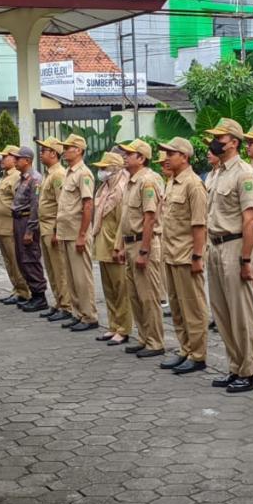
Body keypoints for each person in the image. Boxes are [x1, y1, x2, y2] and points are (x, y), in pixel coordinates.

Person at [203, 118, 253, 392]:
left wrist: (246, 259)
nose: (215, 142)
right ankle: (235, 367)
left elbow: (250, 219)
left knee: (241, 312)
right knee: (222, 311)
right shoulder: (216, 173)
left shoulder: (244, 174)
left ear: (234, 142)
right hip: (214, 245)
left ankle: (249, 371)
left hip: (235, 245)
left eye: (220, 138)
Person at [156, 137, 210, 374]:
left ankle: (198, 355)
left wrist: (197, 257)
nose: (166, 158)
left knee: (193, 308)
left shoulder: (193, 184)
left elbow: (199, 225)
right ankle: (185, 349)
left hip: (186, 256)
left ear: (185, 157)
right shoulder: (172, 182)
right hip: (171, 254)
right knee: (177, 308)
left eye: (171, 154)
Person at [117, 139, 168, 358]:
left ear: (141, 158)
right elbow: (126, 218)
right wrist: (121, 246)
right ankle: (144, 337)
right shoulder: (131, 181)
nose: (125, 156)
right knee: (135, 296)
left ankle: (155, 342)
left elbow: (149, 218)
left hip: (142, 243)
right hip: (130, 242)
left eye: (129, 154)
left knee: (148, 296)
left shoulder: (147, 181)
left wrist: (144, 250)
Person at [56, 134, 99, 332]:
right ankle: (77, 313)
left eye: (68, 148)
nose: (64, 151)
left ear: (79, 150)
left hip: (76, 233)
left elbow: (88, 204)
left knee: (82, 277)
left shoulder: (84, 174)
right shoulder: (68, 172)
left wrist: (82, 234)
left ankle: (89, 316)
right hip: (66, 231)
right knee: (71, 277)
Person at [92, 150, 132, 345]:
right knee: (108, 289)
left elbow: (123, 222)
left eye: (105, 168)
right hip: (102, 244)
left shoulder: (121, 189)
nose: (102, 172)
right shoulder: (104, 188)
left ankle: (123, 329)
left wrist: (119, 247)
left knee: (121, 290)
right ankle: (113, 325)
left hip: (115, 246)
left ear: (115, 169)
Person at [36, 138, 73, 323]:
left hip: (52, 226)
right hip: (45, 226)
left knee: (59, 269)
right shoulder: (48, 174)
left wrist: (58, 230)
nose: (41, 153)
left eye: (44, 150)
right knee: (51, 269)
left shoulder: (58, 174)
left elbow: (61, 204)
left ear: (53, 153)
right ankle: (59, 302)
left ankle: (66, 305)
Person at [0, 146, 31, 306]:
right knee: (8, 261)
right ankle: (16, 289)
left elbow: (20, 203)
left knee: (15, 260)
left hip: (10, 227)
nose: (2, 160)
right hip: (1, 227)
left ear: (14, 159)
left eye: (5, 156)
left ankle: (23, 291)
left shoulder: (15, 177)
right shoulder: (5, 176)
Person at [12, 147, 49, 312]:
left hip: (27, 221)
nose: (15, 161)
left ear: (27, 160)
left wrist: (30, 230)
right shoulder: (22, 178)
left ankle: (39, 296)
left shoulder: (35, 179)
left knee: (30, 258)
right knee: (21, 258)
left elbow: (35, 205)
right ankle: (34, 294)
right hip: (19, 220)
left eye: (18, 158)